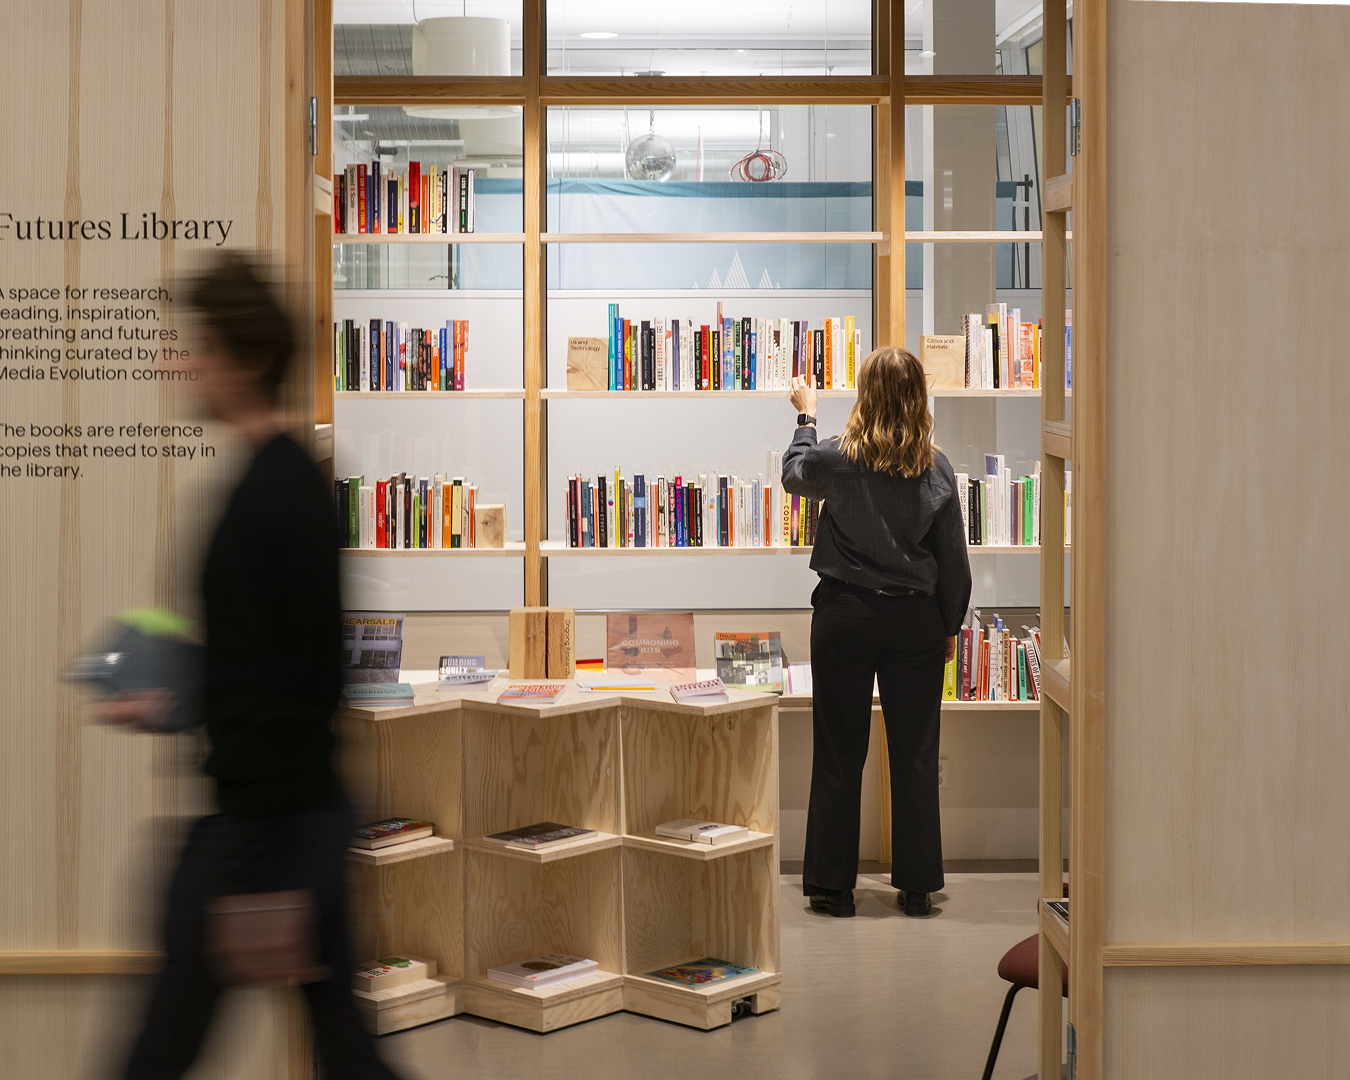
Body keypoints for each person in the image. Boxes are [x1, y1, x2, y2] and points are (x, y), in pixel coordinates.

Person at [108, 253, 403, 1080]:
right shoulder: (279, 484)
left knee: (163, 1047)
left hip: (264, 829)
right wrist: (175, 694)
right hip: (282, 822)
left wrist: (253, 881)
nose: (179, 361)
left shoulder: (274, 496)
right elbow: (268, 663)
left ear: (239, 359)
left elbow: (297, 689)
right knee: (341, 1046)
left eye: (192, 345)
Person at [783, 347, 971, 919]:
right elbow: (953, 561)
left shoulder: (837, 459)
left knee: (839, 751)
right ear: (919, 397)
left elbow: (793, 476)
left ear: (864, 394)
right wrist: (949, 625)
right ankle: (916, 887)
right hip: (914, 618)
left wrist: (805, 417)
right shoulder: (934, 466)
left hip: (845, 616)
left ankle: (833, 887)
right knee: (915, 754)